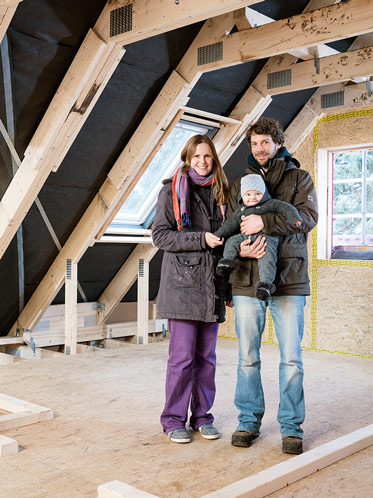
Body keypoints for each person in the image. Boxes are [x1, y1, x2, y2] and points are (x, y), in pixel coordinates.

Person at [228, 117, 318, 455]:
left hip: (290, 278)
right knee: (247, 356)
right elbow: (232, 226)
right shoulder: (241, 183)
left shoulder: (299, 178)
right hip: (248, 279)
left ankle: (291, 427)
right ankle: (248, 420)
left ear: (277, 143)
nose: (260, 148)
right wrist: (240, 249)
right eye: (254, 143)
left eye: (265, 142)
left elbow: (305, 219)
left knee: (291, 358)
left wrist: (265, 221)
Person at [152, 134, 231, 444]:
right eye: (196, 156)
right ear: (187, 159)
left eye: (207, 156)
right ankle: (173, 420)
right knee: (182, 359)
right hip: (182, 287)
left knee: (207, 359)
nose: (202, 161)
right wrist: (200, 239)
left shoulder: (223, 192)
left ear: (214, 160)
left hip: (211, 287)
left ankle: (202, 417)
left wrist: (228, 287)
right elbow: (160, 236)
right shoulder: (169, 193)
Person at [206, 173, 302, 300]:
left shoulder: (270, 204)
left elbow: (286, 208)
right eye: (248, 194)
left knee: (267, 257)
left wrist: (294, 218)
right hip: (246, 237)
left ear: (263, 193)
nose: (253, 198)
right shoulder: (240, 210)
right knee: (232, 241)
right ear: (242, 195)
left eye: (257, 194)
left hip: (266, 237)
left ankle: (266, 284)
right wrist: (217, 235)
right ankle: (227, 262)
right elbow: (230, 224)